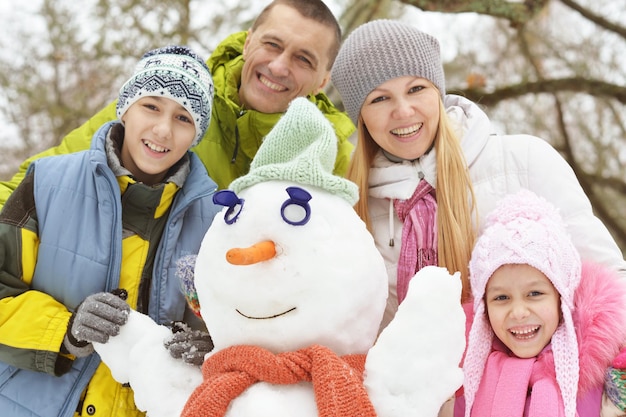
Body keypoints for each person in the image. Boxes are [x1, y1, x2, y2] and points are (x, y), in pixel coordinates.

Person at [330, 19, 626, 331]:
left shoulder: (525, 162)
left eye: (416, 89)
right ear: (359, 116)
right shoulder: (353, 210)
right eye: (379, 98)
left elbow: (608, 284)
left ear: (438, 93)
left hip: (537, 374)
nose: (403, 111)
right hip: (419, 377)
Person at [0, 45, 221, 417]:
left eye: (184, 118)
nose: (163, 129)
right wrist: (65, 329)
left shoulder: (216, 218)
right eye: (151, 106)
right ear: (125, 108)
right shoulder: (45, 183)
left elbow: (240, 323)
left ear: (196, 134)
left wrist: (213, 348)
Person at [0, 0, 354, 207]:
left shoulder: (332, 157)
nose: (279, 67)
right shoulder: (174, 97)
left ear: (323, 80)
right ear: (248, 43)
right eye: (272, 45)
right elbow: (34, 182)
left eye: (303, 59)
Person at [438, 189, 626, 417]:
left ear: (561, 298)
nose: (518, 312)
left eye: (534, 294)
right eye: (501, 298)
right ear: (484, 309)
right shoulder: (464, 381)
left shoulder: (607, 376)